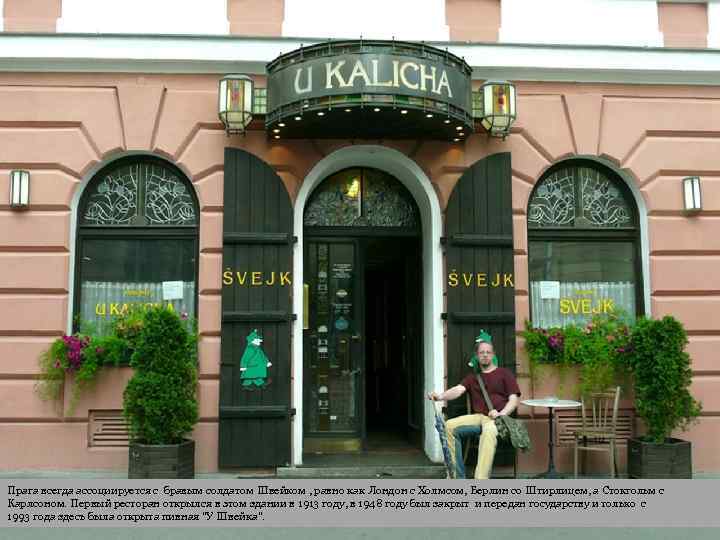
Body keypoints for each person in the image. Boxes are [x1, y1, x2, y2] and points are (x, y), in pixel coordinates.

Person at [428, 333, 521, 479]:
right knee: (448, 426)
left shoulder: (504, 373)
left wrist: (501, 413)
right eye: (481, 352)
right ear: (477, 356)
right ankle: (457, 477)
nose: (485, 355)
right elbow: (458, 390)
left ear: (493, 355)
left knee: (489, 430)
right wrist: (439, 397)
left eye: (488, 352)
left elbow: (514, 400)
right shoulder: (472, 378)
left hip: (498, 419)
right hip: (478, 417)